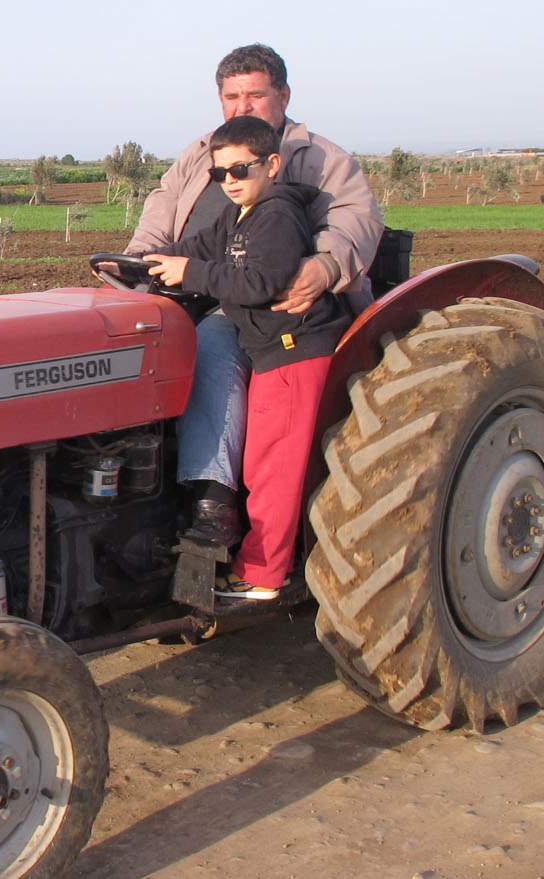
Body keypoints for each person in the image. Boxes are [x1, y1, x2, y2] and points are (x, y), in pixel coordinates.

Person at [126, 43, 382, 547]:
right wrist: (135, 262)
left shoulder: (321, 158)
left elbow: (354, 220)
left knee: (212, 348)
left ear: (283, 95)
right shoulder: (202, 154)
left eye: (255, 94)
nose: (242, 106)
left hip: (271, 302)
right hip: (192, 290)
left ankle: (213, 504)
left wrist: (325, 265)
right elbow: (161, 211)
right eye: (231, 96)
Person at [140, 116, 350, 600]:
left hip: (294, 350)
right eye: (219, 174)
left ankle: (262, 575)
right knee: (258, 463)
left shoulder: (276, 214)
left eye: (241, 170)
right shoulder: (239, 216)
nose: (229, 181)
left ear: (272, 165)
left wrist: (188, 271)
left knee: (272, 466)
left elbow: (260, 283)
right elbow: (194, 248)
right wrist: (143, 263)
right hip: (270, 348)